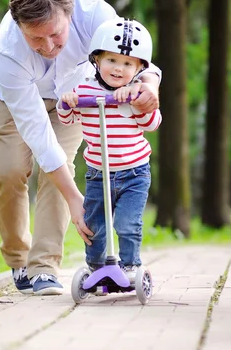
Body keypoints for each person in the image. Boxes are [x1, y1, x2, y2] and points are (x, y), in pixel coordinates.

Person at [0, 0, 162, 296]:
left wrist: (149, 86)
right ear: (20, 27)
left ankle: (44, 268)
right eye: (35, 39)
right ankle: (17, 257)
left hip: (76, 100)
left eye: (55, 34)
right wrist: (75, 198)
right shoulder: (9, 49)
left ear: (69, 14)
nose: (48, 46)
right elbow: (36, 131)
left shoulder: (97, 15)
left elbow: (136, 58)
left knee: (60, 170)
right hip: (16, 102)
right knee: (9, 173)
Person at [57, 17, 162, 282]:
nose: (118, 69)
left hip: (134, 173)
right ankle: (96, 267)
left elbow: (152, 123)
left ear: (138, 68)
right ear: (97, 61)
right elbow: (67, 119)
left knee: (127, 223)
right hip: (98, 173)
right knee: (95, 225)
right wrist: (68, 103)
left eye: (127, 64)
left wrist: (139, 104)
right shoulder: (84, 90)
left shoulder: (136, 93)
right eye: (111, 60)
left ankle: (130, 266)